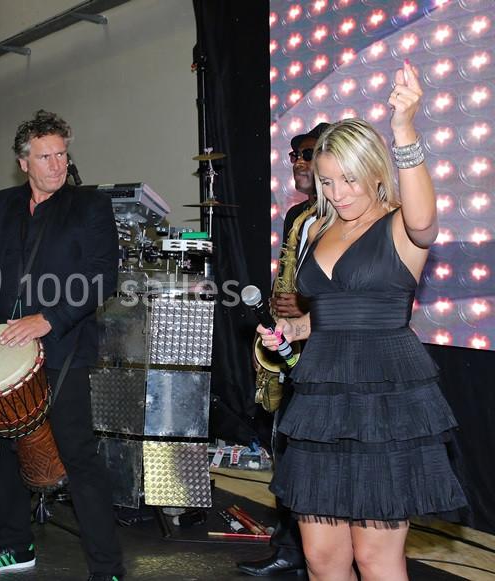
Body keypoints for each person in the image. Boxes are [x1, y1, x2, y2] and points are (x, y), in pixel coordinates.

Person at [257, 62, 467, 580]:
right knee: (322, 559)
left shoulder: (401, 227)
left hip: (383, 403)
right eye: (327, 181)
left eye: (349, 179)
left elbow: (425, 221)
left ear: (375, 171)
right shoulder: (316, 229)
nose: (339, 192)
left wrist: (404, 127)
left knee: (376, 559)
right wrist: (292, 332)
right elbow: (326, 315)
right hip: (323, 404)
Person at [0, 110, 124, 580]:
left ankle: (107, 569)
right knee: (0, 452)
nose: (57, 165)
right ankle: (15, 546)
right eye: (45, 156)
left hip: (62, 348)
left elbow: (102, 276)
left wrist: (49, 318)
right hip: (1, 351)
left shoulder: (89, 205)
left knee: (78, 456)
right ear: (23, 162)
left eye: (62, 155)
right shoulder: (0, 205)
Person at [237, 121, 330, 577]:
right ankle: (290, 548)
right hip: (293, 346)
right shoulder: (297, 216)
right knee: (285, 448)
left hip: (329, 349)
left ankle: (317, 554)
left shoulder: (346, 216)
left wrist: (306, 307)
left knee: (315, 457)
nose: (299, 162)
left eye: (308, 153)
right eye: (295, 154)